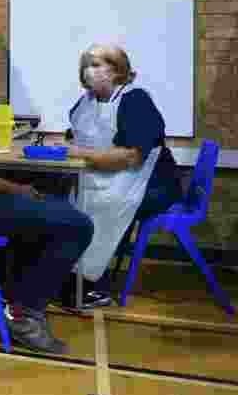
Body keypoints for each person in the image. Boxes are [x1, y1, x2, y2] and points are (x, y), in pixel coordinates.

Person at [0, 40, 94, 354]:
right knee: (77, 225)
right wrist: (18, 190)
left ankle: (18, 297)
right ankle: (24, 314)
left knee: (51, 206)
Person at [60, 43, 181, 310]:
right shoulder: (86, 102)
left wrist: (80, 153)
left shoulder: (135, 100)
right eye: (86, 66)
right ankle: (67, 274)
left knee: (100, 205)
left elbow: (132, 157)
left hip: (150, 183)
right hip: (105, 174)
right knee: (69, 200)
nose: (88, 71)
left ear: (116, 71)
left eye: (96, 65)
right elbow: (76, 136)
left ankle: (85, 284)